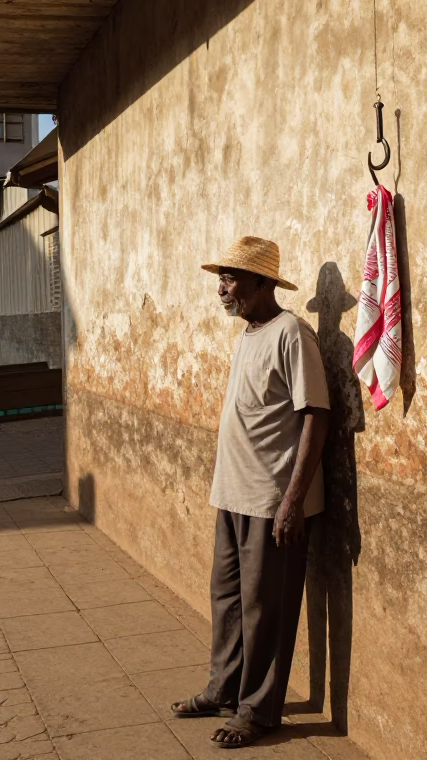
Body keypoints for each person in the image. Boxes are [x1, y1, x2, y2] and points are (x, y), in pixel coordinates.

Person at [171, 236, 330, 748]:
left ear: (262, 283)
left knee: (267, 608)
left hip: (270, 499)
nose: (222, 289)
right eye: (222, 278)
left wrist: (291, 501)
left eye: (231, 278)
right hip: (233, 494)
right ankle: (224, 689)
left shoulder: (292, 334)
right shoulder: (248, 336)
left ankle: (259, 711)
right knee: (228, 602)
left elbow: (315, 417)